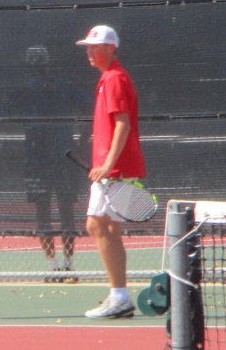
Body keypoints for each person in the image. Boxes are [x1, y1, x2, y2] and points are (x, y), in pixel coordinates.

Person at [75, 25, 146, 319]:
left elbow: (122, 124)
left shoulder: (115, 78)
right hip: (116, 168)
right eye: (88, 47)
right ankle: (120, 296)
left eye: (96, 46)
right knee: (110, 228)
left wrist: (107, 165)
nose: (90, 52)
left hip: (115, 170)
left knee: (96, 226)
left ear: (111, 48)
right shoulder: (109, 77)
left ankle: (119, 296)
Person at [20, 46, 91, 282]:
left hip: (62, 157)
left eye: (40, 62)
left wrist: (82, 141)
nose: (38, 66)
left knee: (64, 208)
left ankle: (66, 265)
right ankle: (54, 267)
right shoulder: (25, 89)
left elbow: (92, 111)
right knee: (46, 210)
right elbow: (2, 113)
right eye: (34, 63)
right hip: (37, 157)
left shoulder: (64, 86)